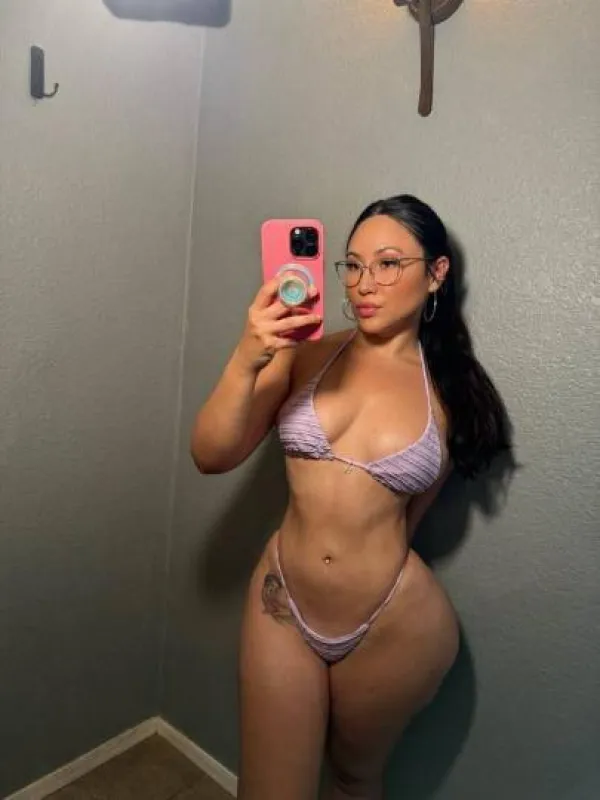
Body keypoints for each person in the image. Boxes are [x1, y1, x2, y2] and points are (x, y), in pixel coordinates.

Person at [191, 195, 510, 800]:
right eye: (354, 265)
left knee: (354, 780)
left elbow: (410, 517)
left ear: (436, 273)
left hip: (392, 622)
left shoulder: (451, 391)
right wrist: (247, 356)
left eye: (388, 264)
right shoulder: (305, 353)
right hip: (283, 604)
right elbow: (211, 455)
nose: (365, 283)